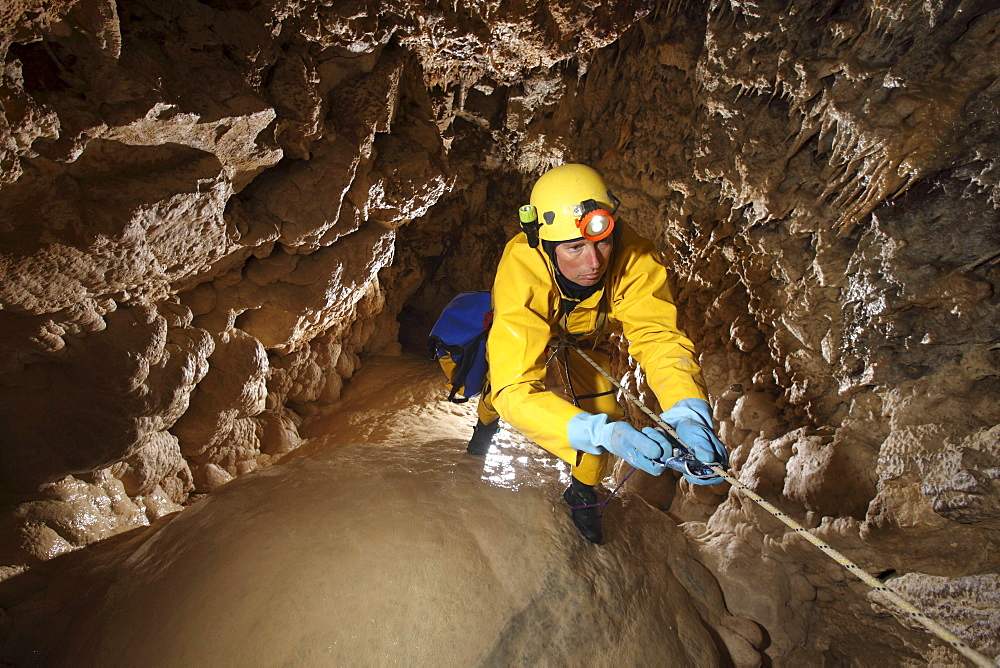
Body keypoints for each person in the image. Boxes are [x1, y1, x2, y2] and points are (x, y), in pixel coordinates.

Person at [466, 163, 728, 544]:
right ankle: (484, 426)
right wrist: (593, 431)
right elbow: (515, 386)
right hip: (537, 329)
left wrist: (688, 409)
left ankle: (582, 491)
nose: (594, 263)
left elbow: (657, 336)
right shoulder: (523, 266)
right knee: (499, 389)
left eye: (602, 242)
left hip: (586, 340)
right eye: (575, 248)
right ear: (546, 244)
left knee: (602, 414)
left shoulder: (633, 254)